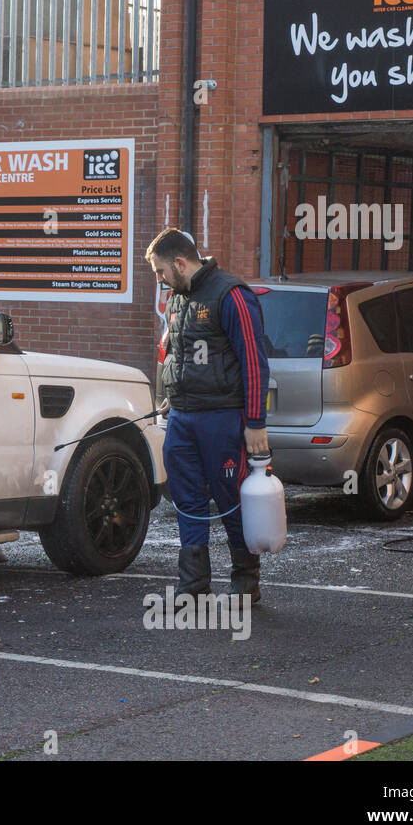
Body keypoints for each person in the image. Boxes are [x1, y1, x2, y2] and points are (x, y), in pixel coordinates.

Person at [146, 228, 269, 602]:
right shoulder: (177, 300)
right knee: (187, 499)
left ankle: (245, 580)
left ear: (180, 263)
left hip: (223, 419)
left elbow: (254, 360)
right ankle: (193, 585)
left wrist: (255, 422)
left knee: (230, 498)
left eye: (161, 272)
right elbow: (178, 354)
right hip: (183, 418)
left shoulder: (231, 294)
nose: (160, 280)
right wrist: (171, 396)